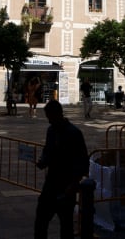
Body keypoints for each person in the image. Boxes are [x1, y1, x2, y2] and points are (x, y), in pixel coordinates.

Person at [34, 100, 88, 239]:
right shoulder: (51, 130)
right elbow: (48, 150)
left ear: (58, 114)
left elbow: (82, 161)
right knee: (41, 220)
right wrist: (43, 161)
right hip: (51, 182)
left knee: (66, 225)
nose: (49, 120)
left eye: (50, 117)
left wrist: (74, 183)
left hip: (66, 185)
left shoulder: (74, 133)